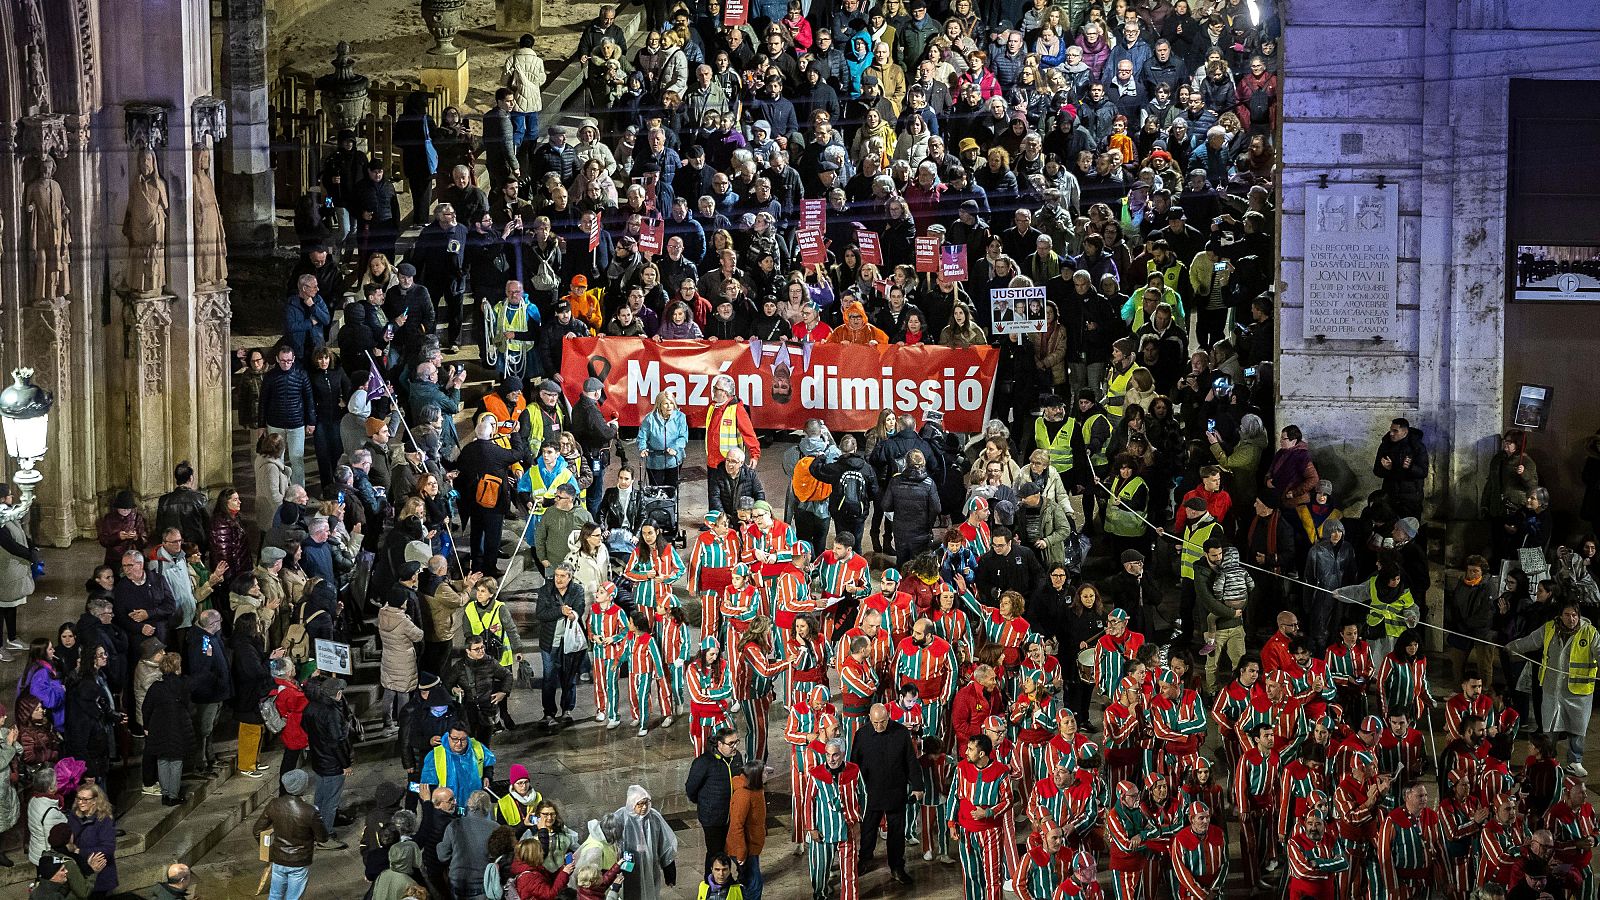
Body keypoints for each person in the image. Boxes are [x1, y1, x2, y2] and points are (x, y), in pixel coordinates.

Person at [1506, 602, 1598, 776]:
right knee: (1550, 726)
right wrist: (1513, 647)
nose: (1571, 619)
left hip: (1579, 691)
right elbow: (1531, 641)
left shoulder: (1589, 632)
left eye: (1574, 615)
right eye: (1567, 614)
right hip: (1552, 689)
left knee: (1578, 727)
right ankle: (1548, 758)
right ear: (1560, 615)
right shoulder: (1549, 628)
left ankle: (1575, 761)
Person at [851, 703, 920, 885]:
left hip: (895, 791)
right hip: (871, 793)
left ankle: (897, 867)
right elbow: (854, 764)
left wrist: (918, 786)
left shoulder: (901, 733)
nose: (879, 726)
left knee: (896, 833)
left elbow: (911, 761)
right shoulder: (862, 735)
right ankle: (865, 859)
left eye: (882, 722)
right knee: (868, 830)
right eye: (875, 723)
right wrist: (852, 790)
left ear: (888, 717)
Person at [253, 768, 328, 900]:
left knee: (275, 895)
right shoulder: (310, 811)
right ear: (302, 787)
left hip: (278, 859)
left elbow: (257, 830)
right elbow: (323, 837)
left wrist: (268, 849)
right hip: (299, 861)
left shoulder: (274, 804)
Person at [302, 676, 354, 848]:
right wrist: (345, 764)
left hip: (318, 759)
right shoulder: (331, 712)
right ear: (338, 694)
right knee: (331, 801)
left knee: (320, 796)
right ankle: (325, 836)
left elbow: (304, 726)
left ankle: (316, 827)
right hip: (332, 763)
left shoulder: (311, 706)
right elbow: (337, 741)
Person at [684, 727, 744, 871]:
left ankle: (728, 882)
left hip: (732, 815)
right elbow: (691, 788)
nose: (734, 747)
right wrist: (706, 804)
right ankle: (711, 884)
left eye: (736, 742)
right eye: (731, 744)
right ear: (719, 744)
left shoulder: (737, 758)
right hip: (713, 817)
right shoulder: (704, 762)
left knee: (733, 851)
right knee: (715, 853)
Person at [614, 785, 678, 900]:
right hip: (629, 867)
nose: (644, 807)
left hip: (650, 864)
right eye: (640, 804)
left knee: (649, 891)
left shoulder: (653, 817)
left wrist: (670, 873)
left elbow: (666, 846)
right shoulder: (621, 817)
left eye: (646, 803)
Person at [438, 790, 499, 900]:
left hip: (458, 883)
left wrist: (439, 846)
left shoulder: (454, 825)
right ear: (488, 807)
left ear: (469, 804)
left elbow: (443, 856)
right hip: (483, 884)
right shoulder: (495, 828)